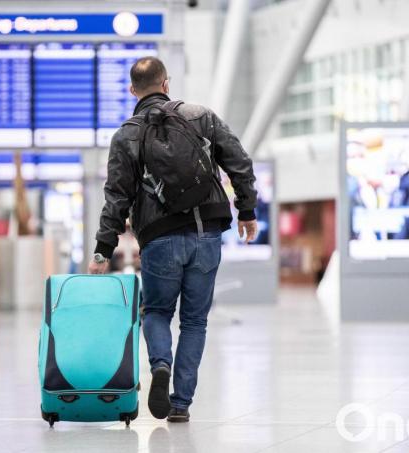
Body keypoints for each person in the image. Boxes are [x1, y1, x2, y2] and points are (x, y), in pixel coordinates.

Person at [88, 57, 258, 422]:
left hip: (160, 239)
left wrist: (103, 250)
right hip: (206, 232)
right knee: (195, 321)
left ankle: (160, 364)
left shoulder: (126, 135)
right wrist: (246, 211)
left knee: (157, 312)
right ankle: (181, 404)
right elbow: (239, 162)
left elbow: (116, 196)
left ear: (132, 91)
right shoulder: (200, 116)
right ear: (166, 84)